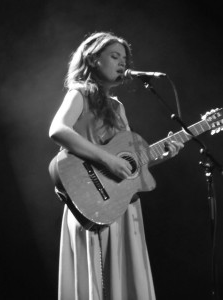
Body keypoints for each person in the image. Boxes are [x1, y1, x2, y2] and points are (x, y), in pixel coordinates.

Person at [49, 31, 184, 300]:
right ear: (93, 58)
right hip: (89, 199)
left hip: (120, 203)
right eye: (114, 56)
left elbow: (129, 166)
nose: (122, 63)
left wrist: (163, 154)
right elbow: (58, 130)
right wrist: (107, 159)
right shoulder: (80, 94)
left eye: (124, 58)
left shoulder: (117, 107)